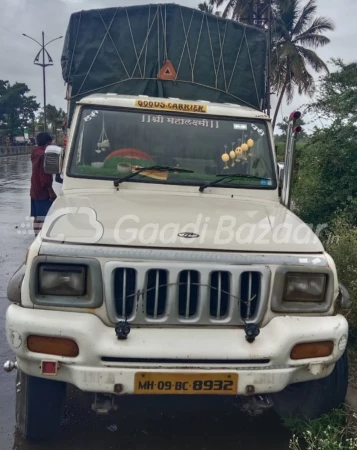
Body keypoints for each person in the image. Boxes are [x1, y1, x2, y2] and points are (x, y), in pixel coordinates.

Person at [30, 132, 57, 235]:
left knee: (37, 216)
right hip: (43, 191)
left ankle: (36, 236)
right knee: (45, 217)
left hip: (34, 188)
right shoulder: (44, 155)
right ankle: (42, 237)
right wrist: (51, 191)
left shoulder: (34, 152)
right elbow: (45, 177)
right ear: (48, 142)